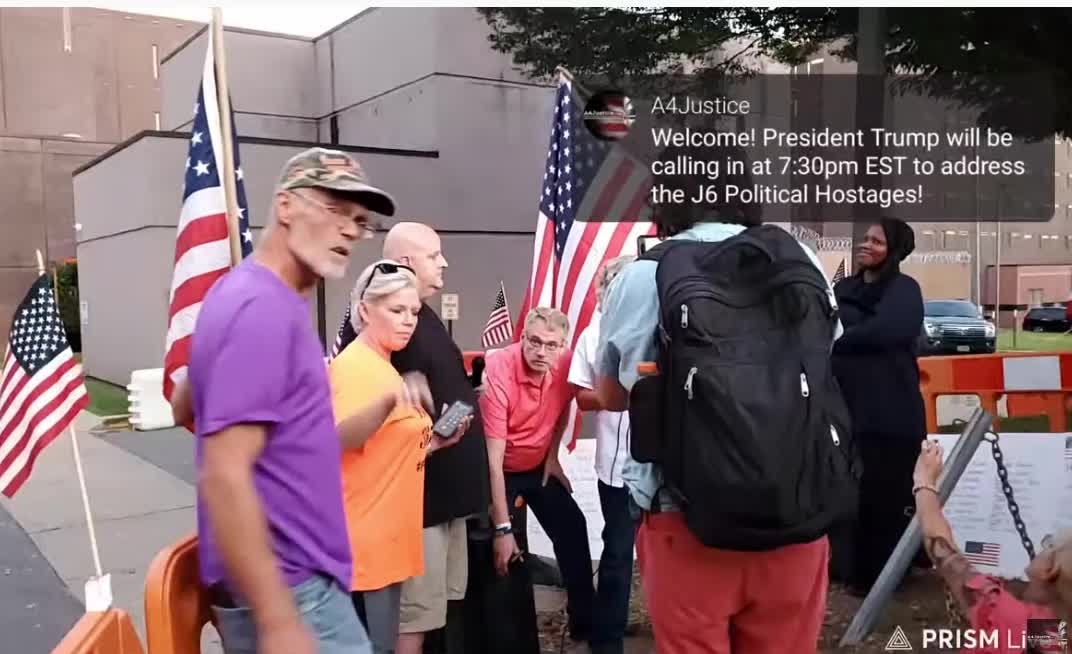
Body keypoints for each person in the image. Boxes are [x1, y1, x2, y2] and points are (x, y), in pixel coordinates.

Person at [176, 147, 432, 654]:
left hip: (298, 586)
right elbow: (224, 473)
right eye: (334, 208)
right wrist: (279, 622)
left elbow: (188, 408)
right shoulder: (261, 309)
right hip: (291, 594)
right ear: (285, 206)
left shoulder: (249, 297)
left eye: (360, 220)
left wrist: (385, 406)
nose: (351, 230)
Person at [593, 143, 841, 653]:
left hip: (684, 520)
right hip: (796, 512)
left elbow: (613, 396)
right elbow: (825, 363)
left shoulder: (643, 276)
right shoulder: (802, 262)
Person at [328, 260, 469, 654]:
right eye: (396, 310)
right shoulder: (356, 368)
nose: (408, 321)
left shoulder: (385, 365)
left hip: (388, 544)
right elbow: (333, 441)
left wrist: (436, 443)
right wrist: (390, 398)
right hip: (363, 551)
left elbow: (382, 451)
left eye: (413, 311)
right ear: (363, 311)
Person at [480, 306, 595, 652]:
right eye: (534, 342)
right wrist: (501, 527)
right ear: (523, 338)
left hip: (537, 466)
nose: (541, 351)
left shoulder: (567, 363)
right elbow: (493, 459)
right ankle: (505, 636)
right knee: (502, 551)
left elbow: (564, 408)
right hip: (500, 470)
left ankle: (585, 623)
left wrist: (552, 456)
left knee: (573, 527)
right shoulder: (500, 366)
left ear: (562, 347)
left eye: (550, 345)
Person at [830, 218, 927, 595]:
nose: (866, 245)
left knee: (886, 496)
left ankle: (883, 576)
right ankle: (846, 566)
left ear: (896, 249)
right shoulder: (843, 288)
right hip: (846, 410)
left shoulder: (904, 289)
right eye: (865, 238)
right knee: (846, 494)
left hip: (891, 413)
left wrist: (842, 339)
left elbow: (892, 329)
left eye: (877, 241)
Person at [913, 440, 1070, 651]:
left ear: (1049, 571)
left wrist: (924, 481)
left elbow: (943, 551)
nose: (1045, 546)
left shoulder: (1013, 620)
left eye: (1049, 544)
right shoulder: (1056, 636)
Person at [567, 255, 638, 654]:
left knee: (666, 552)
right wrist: (615, 398)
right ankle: (607, 640)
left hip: (662, 462)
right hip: (617, 466)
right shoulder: (593, 335)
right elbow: (580, 395)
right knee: (617, 553)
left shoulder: (656, 325)